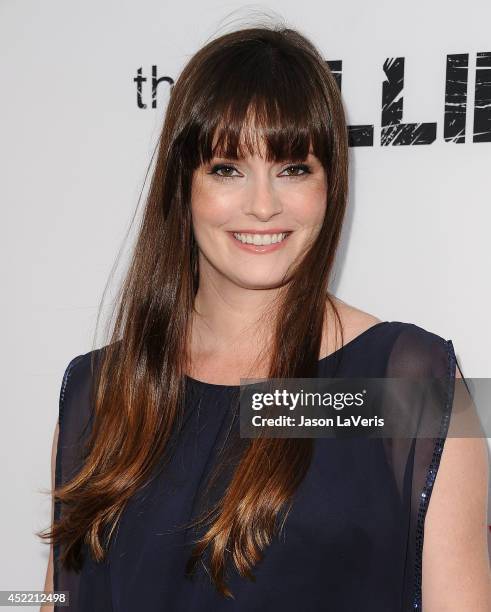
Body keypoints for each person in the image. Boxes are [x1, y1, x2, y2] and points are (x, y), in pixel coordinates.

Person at [39, 24, 490, 611]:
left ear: (331, 186)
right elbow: (51, 596)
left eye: (293, 168)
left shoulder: (401, 385)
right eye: (227, 168)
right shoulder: (99, 389)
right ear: (184, 185)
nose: (262, 204)